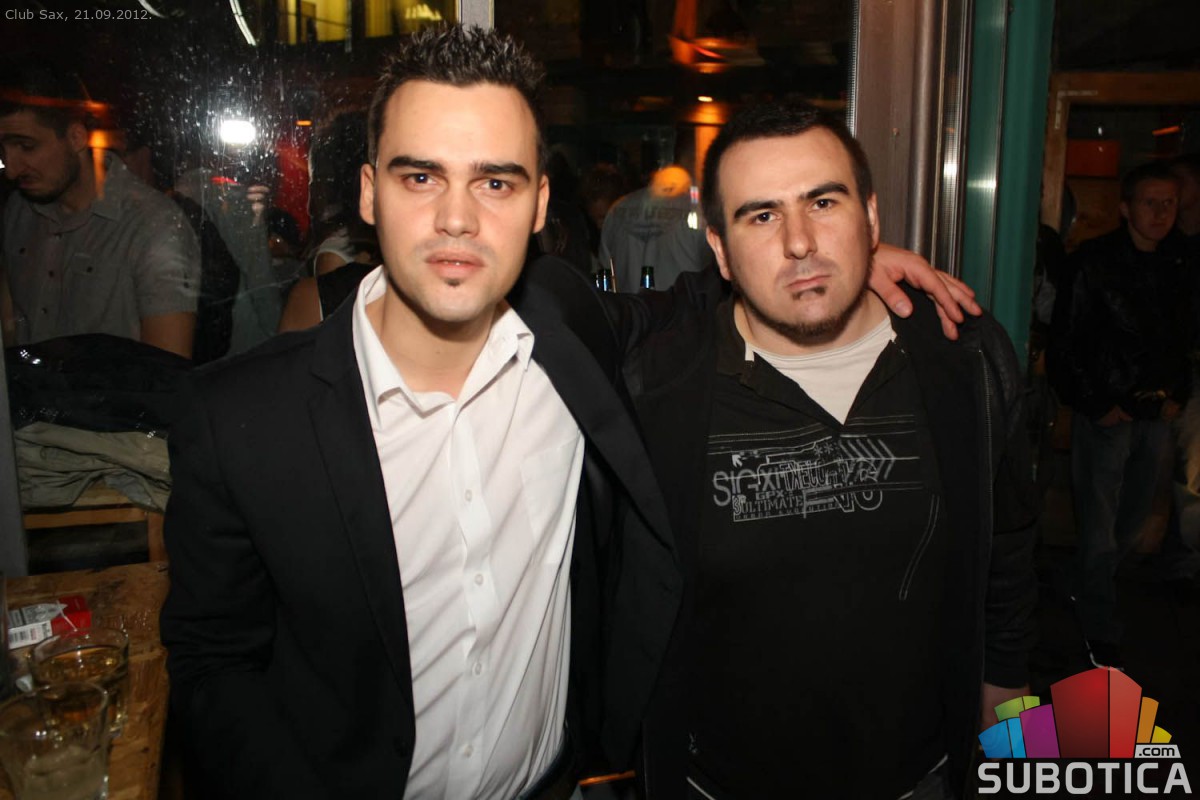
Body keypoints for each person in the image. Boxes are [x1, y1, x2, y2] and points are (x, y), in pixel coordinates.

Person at [161, 26, 977, 799]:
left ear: (540, 202)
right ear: (370, 193)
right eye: (421, 177)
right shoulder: (240, 422)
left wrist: (847, 256)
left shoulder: (573, 338)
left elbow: (710, 297)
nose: (457, 218)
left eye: (496, 181)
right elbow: (212, 664)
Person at [604, 100, 1037, 798]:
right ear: (719, 248)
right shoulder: (663, 387)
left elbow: (1007, 544)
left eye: (824, 203)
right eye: (761, 216)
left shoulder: (963, 357)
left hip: (923, 775)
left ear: (871, 217)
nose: (800, 242)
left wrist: (1007, 701)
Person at [1055, 162, 1191, 669]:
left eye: (1169, 202)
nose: (1161, 213)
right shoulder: (1093, 262)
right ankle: (1099, 624)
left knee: (1133, 519)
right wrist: (1097, 402)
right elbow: (1068, 338)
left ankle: (1084, 588)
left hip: (1157, 409)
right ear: (1126, 208)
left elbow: (1184, 336)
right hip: (1110, 411)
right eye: (1150, 202)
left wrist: (1177, 392)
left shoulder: (1180, 263)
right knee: (1100, 522)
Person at [0, 58, 200, 358]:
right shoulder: (19, 209)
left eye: (27, 147)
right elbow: (9, 325)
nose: (11, 170)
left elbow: (167, 369)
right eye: (2, 151)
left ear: (76, 137)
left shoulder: (153, 224)